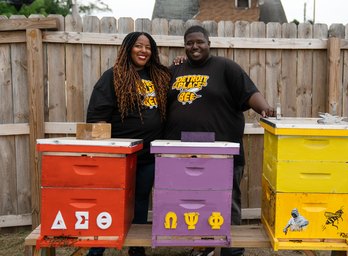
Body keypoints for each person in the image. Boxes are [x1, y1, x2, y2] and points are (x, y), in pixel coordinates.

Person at [164, 25, 275, 256]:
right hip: (183, 152)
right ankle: (202, 246)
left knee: (226, 200)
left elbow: (249, 92)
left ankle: (231, 251)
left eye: (199, 42)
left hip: (222, 152)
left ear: (209, 44)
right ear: (184, 46)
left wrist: (264, 108)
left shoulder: (225, 67)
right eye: (189, 43)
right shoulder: (175, 70)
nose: (195, 46)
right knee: (193, 203)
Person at [86, 32, 171, 256]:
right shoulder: (113, 77)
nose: (143, 51)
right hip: (121, 155)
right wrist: (104, 153)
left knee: (141, 200)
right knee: (110, 202)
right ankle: (97, 249)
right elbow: (97, 116)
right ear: (127, 48)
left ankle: (137, 248)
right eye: (138, 46)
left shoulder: (159, 76)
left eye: (148, 47)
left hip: (149, 154)